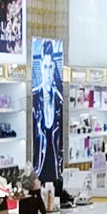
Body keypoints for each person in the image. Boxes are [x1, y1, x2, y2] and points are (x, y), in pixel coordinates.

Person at [32, 39, 63, 183]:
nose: (48, 73)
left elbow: (61, 143)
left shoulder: (59, 101)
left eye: (50, 67)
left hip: (56, 171)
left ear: (54, 67)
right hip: (38, 171)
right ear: (41, 67)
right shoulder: (34, 99)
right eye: (45, 67)